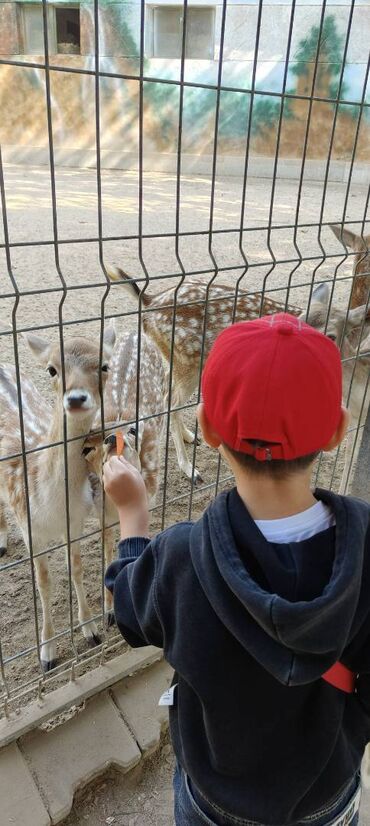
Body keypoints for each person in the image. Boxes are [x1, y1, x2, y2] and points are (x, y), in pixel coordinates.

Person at [104, 312, 370, 826]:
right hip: (326, 798)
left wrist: (134, 517)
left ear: (205, 427)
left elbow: (129, 615)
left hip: (215, 801)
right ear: (338, 430)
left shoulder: (179, 557)